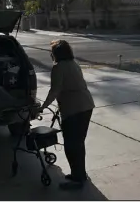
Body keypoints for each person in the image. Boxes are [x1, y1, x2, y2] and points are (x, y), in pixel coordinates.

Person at [39, 39, 95, 190]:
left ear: (56, 54)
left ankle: (77, 178)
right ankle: (79, 173)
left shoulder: (58, 67)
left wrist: (42, 107)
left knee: (71, 144)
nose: (50, 54)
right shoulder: (73, 63)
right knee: (78, 143)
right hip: (86, 105)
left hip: (74, 109)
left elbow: (54, 90)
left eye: (52, 52)